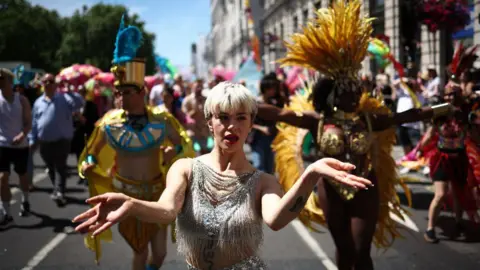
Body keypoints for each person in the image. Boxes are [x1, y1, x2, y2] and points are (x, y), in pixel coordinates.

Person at [73, 81, 372, 270]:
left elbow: (277, 220)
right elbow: (166, 212)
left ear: (251, 122)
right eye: (223, 118)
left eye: (241, 118)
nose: (232, 126)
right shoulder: (185, 168)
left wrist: (311, 174)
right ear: (209, 121)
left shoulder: (264, 181)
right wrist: (131, 203)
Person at [254, 1, 454, 269]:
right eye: (350, 90)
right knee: (344, 248)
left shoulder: (369, 119)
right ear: (336, 96)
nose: (356, 94)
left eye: (357, 89)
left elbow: (409, 116)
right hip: (331, 190)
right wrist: (239, 103)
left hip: (364, 186)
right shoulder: (318, 121)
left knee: (361, 250)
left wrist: (446, 107)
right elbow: (278, 114)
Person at [77, 15, 195, 270]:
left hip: (156, 196)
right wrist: (88, 164)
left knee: (161, 253)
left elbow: (184, 145)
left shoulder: (162, 120)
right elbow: (91, 152)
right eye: (118, 93)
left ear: (142, 92)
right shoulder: (109, 123)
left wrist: (172, 154)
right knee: (139, 253)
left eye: (128, 92)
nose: (121, 98)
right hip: (124, 196)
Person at [29, 73, 84, 206]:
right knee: (50, 167)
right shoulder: (38, 102)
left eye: (51, 81)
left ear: (55, 84)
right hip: (44, 141)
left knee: (60, 165)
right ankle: (57, 189)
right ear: (42, 85)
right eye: (45, 82)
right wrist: (32, 138)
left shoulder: (64, 97)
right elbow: (35, 122)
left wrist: (70, 90)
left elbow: (79, 102)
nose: (48, 84)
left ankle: (60, 192)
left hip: (62, 139)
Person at [0, 68, 32, 224]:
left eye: (2, 78)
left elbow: (28, 123)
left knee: (22, 175)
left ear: (10, 81)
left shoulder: (21, 100)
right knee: (2, 178)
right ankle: (7, 213)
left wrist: (22, 135)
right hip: (2, 145)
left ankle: (25, 199)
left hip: (20, 145)